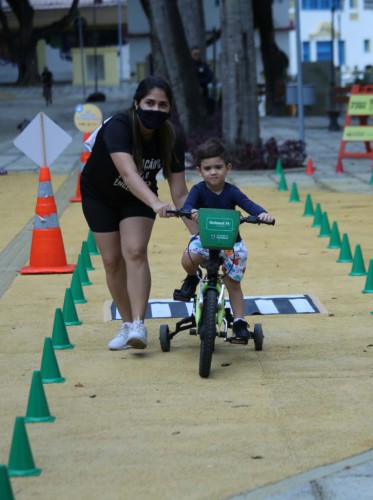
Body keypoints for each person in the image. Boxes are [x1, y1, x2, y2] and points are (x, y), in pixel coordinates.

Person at [81, 76, 197, 351]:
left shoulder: (170, 138)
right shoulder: (119, 126)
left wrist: (198, 235)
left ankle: (138, 324)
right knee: (111, 261)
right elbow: (127, 172)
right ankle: (125, 322)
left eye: (162, 105)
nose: (155, 109)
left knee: (134, 251)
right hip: (100, 195)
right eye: (149, 103)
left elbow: (180, 193)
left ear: (170, 109)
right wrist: (156, 203)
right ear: (136, 103)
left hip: (138, 198)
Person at [172, 138, 274, 343]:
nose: (213, 172)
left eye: (218, 167)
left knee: (233, 283)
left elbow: (248, 204)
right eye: (207, 168)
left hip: (231, 243)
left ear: (227, 168)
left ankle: (239, 321)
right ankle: (192, 278)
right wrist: (190, 211)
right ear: (199, 171)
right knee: (188, 257)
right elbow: (189, 204)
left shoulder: (232, 191)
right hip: (205, 239)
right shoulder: (198, 190)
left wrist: (262, 214)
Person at [190, 46, 214, 114]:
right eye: (195, 54)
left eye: (199, 54)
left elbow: (209, 76)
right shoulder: (188, 66)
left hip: (203, 92)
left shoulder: (204, 65)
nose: (197, 56)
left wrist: (201, 83)